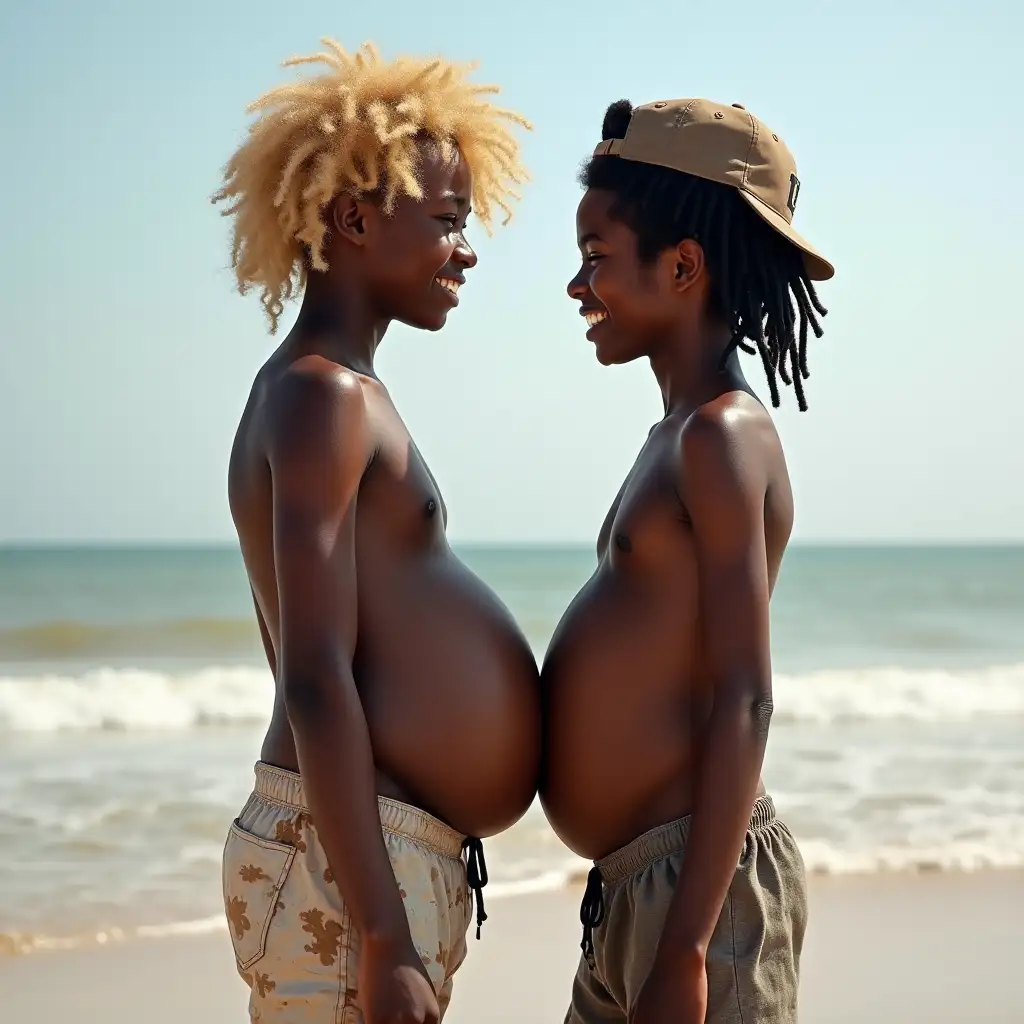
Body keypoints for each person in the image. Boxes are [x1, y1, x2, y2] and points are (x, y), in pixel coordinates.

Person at [212, 39, 540, 1024]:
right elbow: (316, 672)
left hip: (365, 860)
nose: (466, 249)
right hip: (345, 875)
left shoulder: (338, 393)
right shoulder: (322, 397)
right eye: (445, 221)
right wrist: (386, 930)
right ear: (354, 219)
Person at [540, 97, 834, 1024]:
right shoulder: (674, 435)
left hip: (698, 899)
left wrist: (690, 947)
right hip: (634, 891)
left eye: (595, 260)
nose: (576, 288)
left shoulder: (721, 437)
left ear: (682, 266)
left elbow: (747, 695)